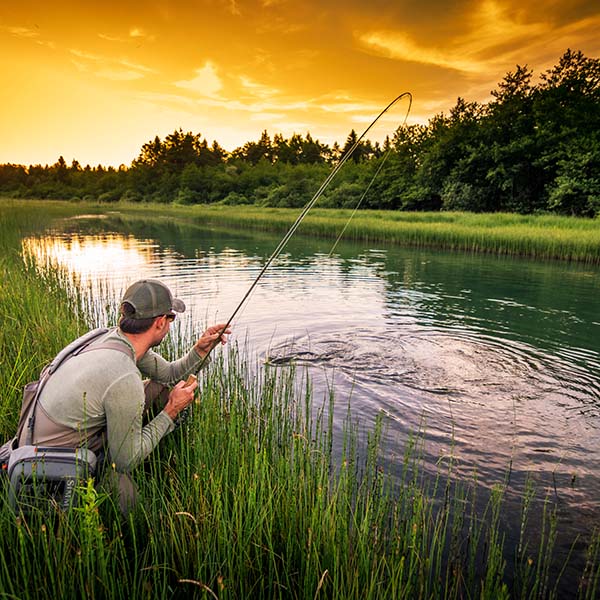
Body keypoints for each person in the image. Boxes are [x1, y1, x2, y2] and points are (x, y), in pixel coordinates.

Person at [17, 278, 230, 512]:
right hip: (53, 464)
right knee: (138, 510)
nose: (170, 325)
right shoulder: (124, 377)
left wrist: (201, 349)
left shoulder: (111, 338)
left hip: (42, 435)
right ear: (159, 322)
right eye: (171, 318)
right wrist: (171, 412)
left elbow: (168, 375)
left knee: (160, 388)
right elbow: (124, 460)